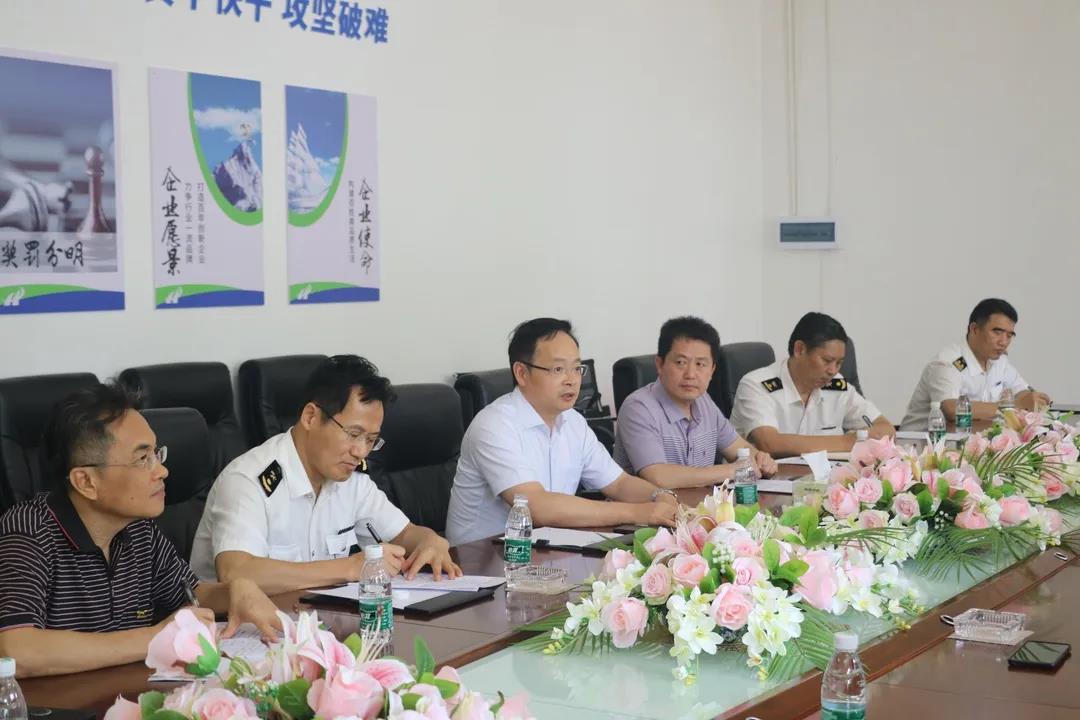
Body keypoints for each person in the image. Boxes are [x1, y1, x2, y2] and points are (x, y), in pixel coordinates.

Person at [0, 383, 281, 678]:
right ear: (86, 482)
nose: (162, 471)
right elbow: (16, 650)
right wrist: (154, 637)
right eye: (143, 459)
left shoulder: (138, 529)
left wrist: (235, 590)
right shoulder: (27, 533)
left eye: (156, 454)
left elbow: (191, 594)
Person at [190, 355, 460, 595]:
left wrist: (430, 541)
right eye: (353, 434)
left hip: (315, 621)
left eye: (371, 440)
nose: (360, 452)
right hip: (234, 628)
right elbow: (236, 572)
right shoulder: (248, 480)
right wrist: (349, 567)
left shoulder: (351, 479)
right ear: (310, 417)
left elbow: (405, 534)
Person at [445, 318, 679, 546]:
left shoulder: (573, 422)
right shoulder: (494, 425)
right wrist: (638, 512)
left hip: (548, 550)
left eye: (576, 369)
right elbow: (536, 506)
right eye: (558, 369)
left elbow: (618, 484)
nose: (572, 380)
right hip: (481, 559)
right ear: (522, 373)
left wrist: (660, 495)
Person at [613, 316, 777, 488]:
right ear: (660, 364)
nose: (690, 374)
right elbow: (658, 477)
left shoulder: (704, 401)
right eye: (680, 363)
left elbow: (740, 450)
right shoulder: (638, 408)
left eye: (700, 364)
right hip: (647, 505)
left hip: (699, 504)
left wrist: (760, 459)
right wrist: (733, 470)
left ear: (712, 370)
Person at [731, 312, 894, 456]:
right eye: (827, 360)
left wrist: (868, 436)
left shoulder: (836, 385)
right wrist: (848, 442)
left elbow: (886, 429)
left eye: (839, 363)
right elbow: (770, 443)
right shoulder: (756, 385)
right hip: (765, 478)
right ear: (799, 349)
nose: (833, 370)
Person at [901, 298, 1051, 429]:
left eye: (1009, 335)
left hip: (969, 442)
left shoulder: (1000, 362)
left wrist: (1032, 399)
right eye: (997, 332)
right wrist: (1014, 406)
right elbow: (951, 409)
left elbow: (1023, 393)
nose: (1004, 342)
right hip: (920, 445)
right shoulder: (949, 362)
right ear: (974, 329)